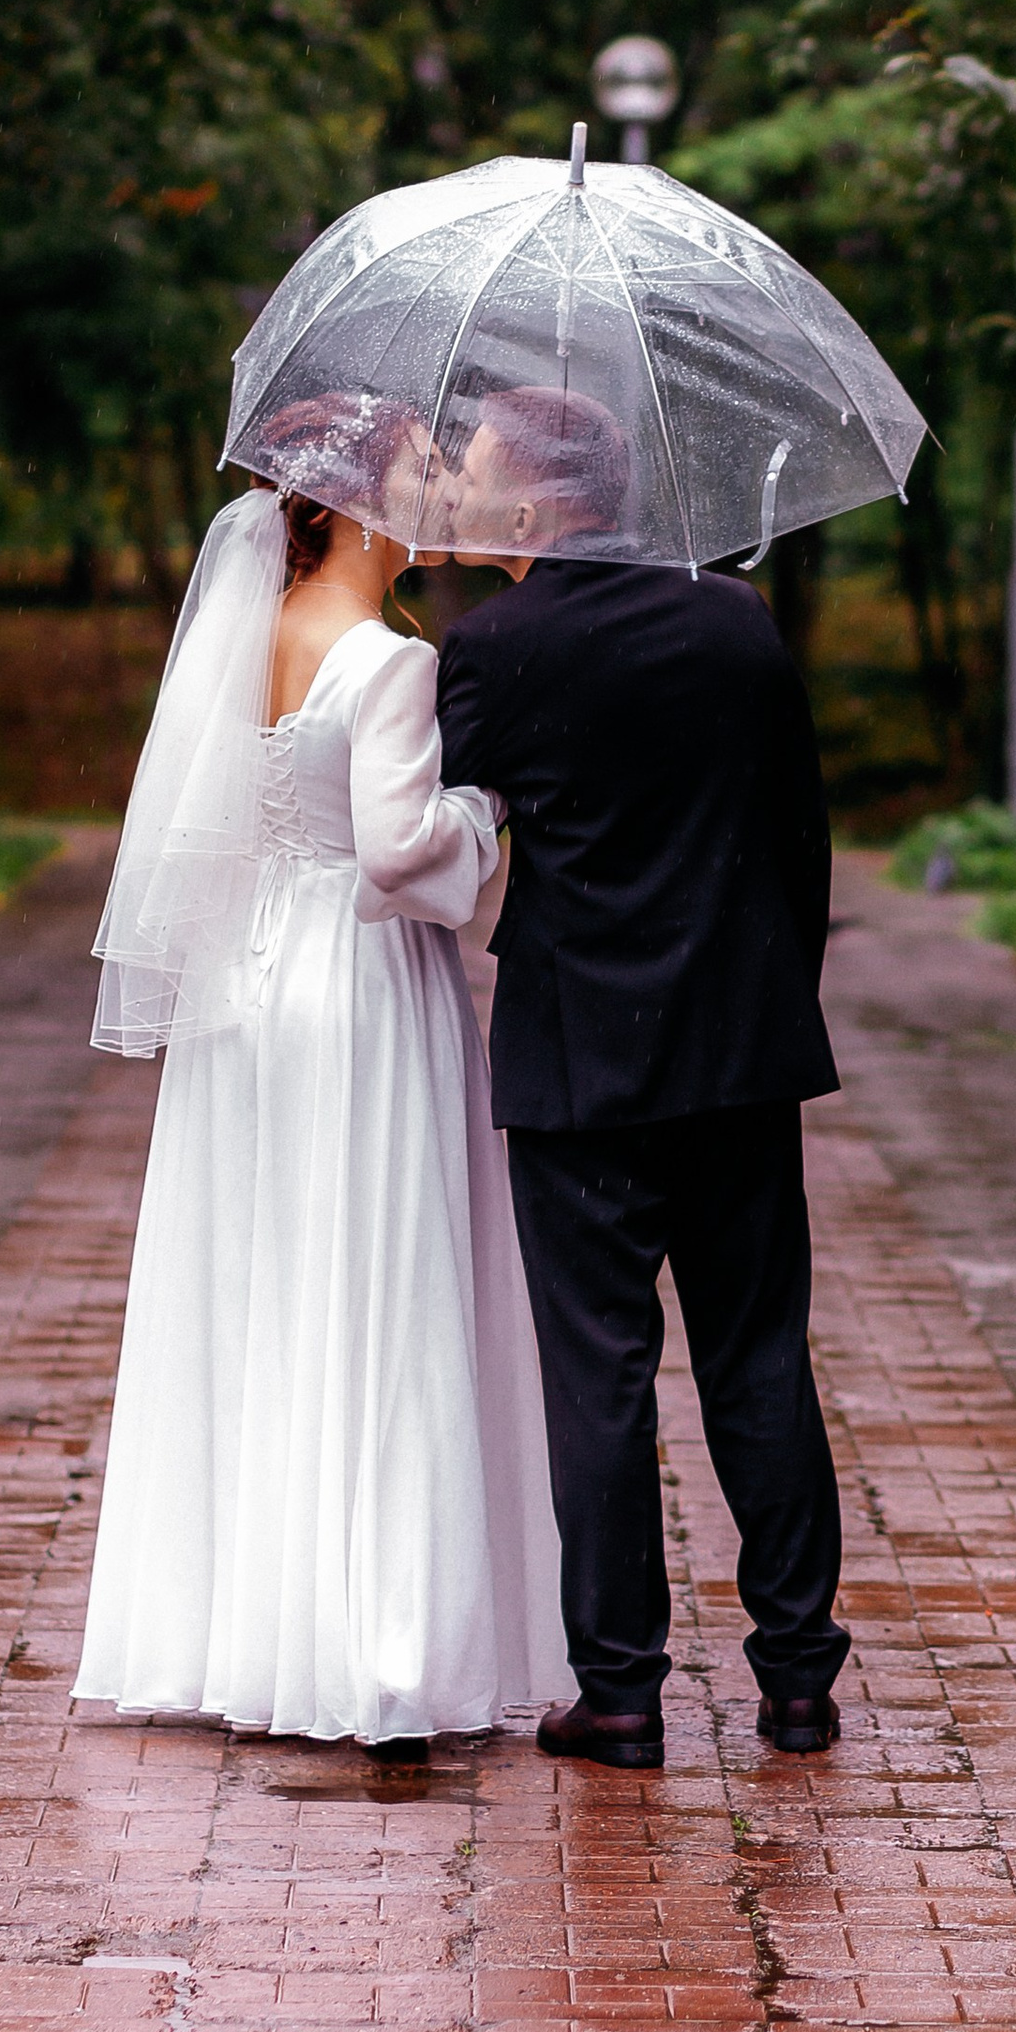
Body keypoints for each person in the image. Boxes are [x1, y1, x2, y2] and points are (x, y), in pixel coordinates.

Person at [75, 391, 571, 1759]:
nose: (432, 493)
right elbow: (406, 857)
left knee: (271, 1283)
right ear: (343, 507)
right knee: (378, 1276)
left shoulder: (252, 646)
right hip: (361, 984)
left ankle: (247, 1626)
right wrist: (490, 810)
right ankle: (378, 1644)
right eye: (416, 470)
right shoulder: (391, 660)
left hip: (252, 982)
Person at [437, 384, 847, 1768]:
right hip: (741, 1056)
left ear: (544, 499)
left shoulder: (491, 647)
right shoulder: (737, 623)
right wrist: (772, 996)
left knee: (599, 1378)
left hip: (577, 1072)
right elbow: (803, 841)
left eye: (482, 468)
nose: (465, 487)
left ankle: (621, 1694)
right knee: (759, 1363)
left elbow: (459, 835)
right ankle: (798, 1679)